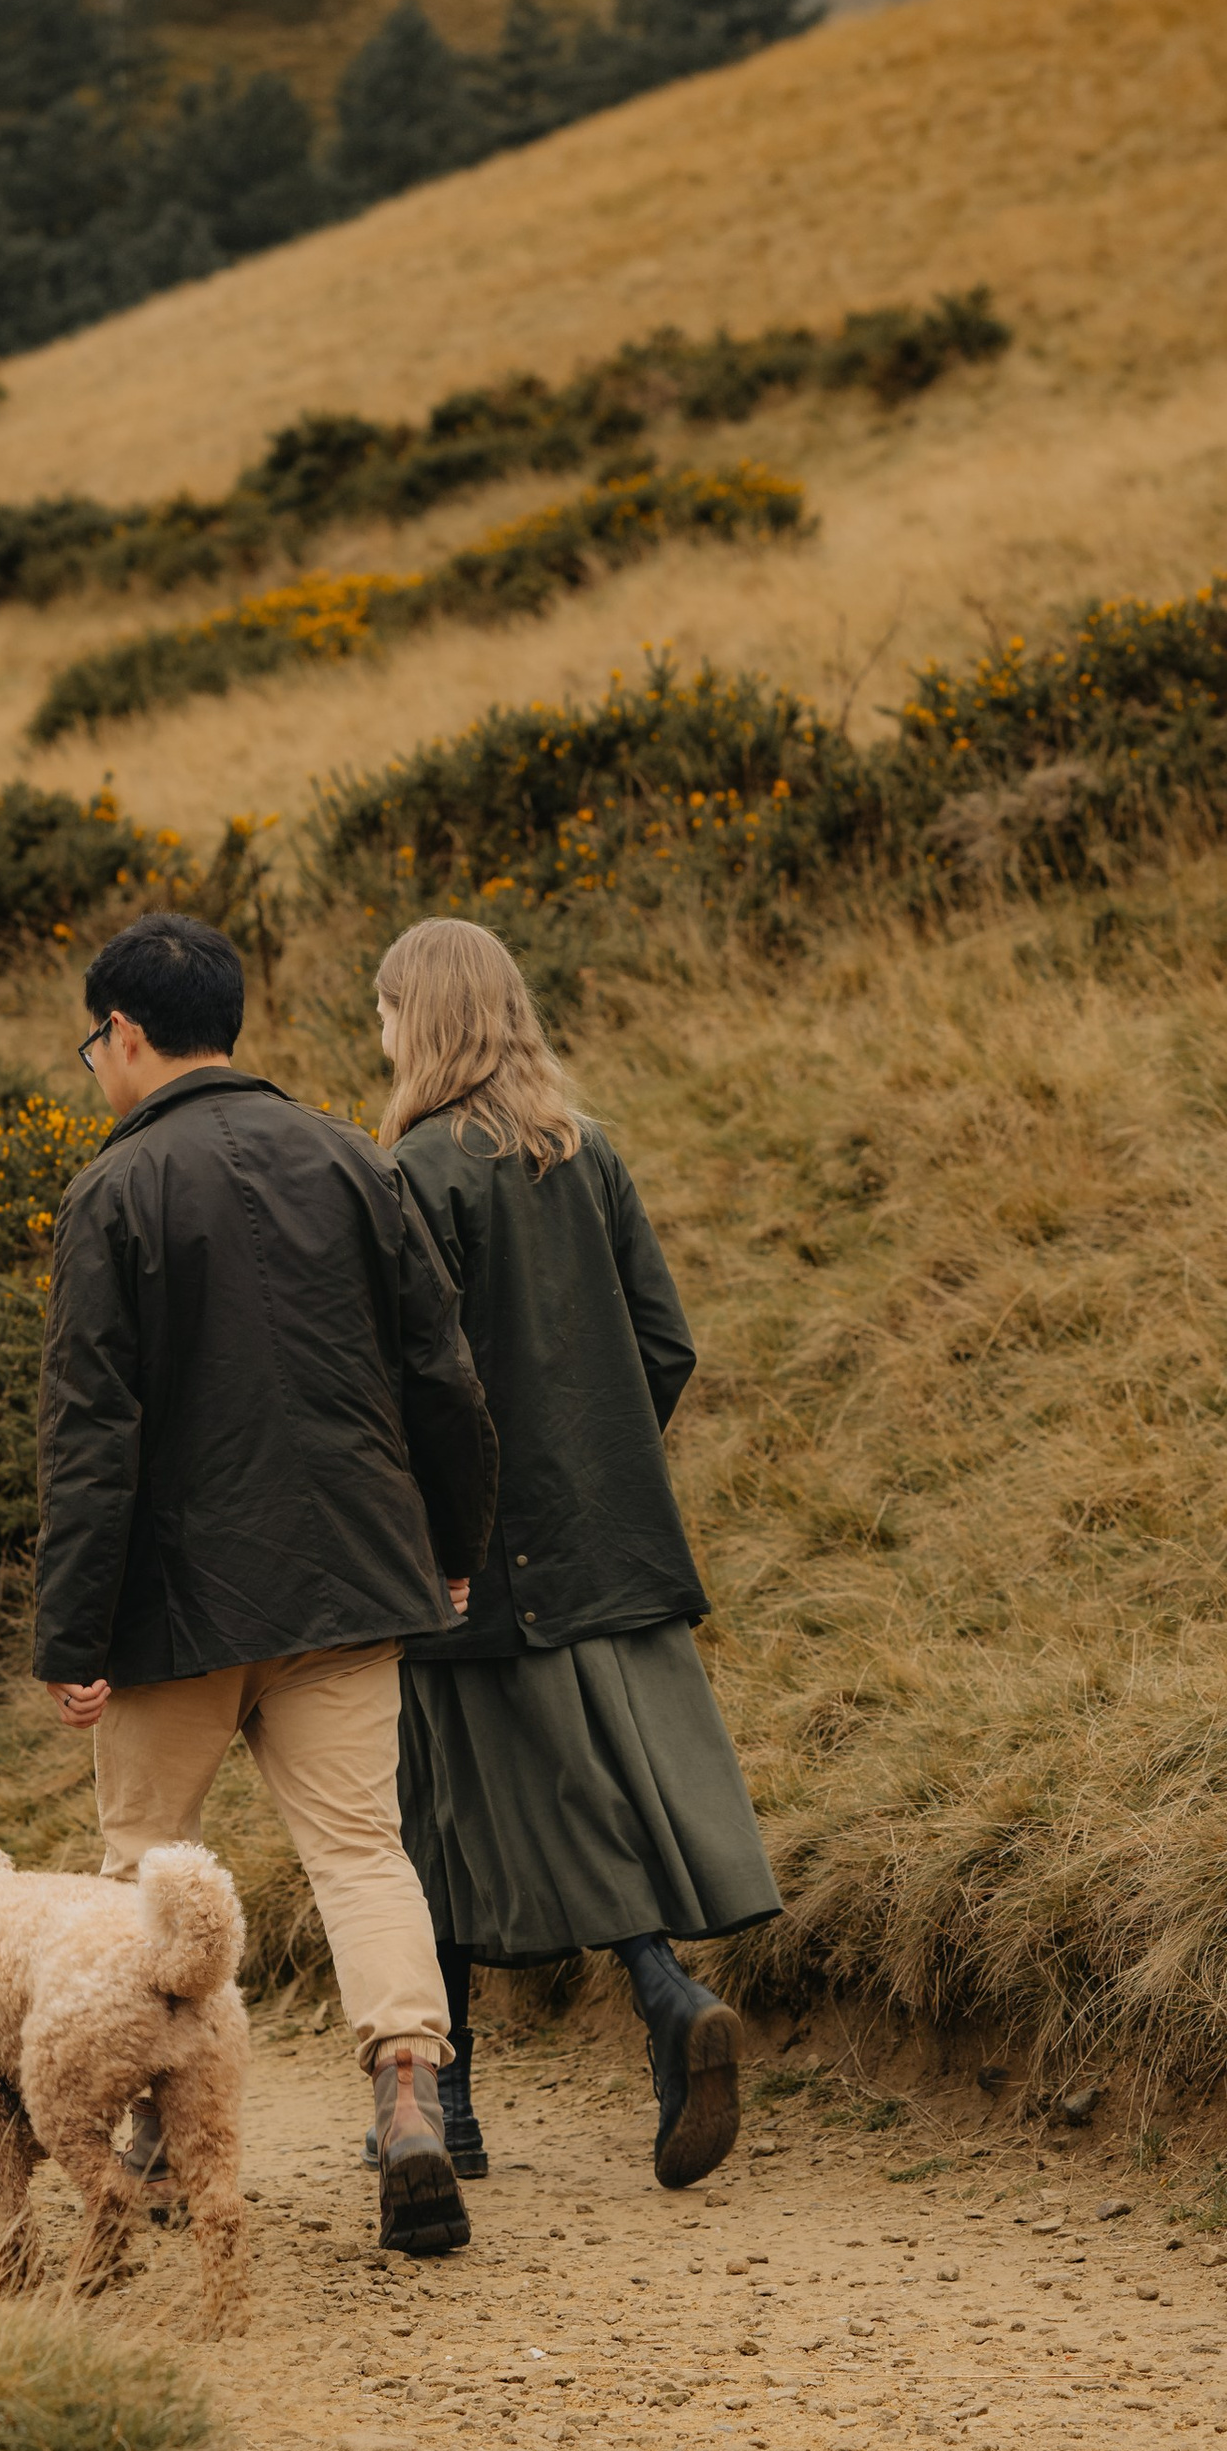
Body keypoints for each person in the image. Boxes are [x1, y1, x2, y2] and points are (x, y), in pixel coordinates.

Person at [34, 909, 500, 2259]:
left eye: (93, 1044)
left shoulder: (112, 1193)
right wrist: (451, 1545)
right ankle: (410, 2091)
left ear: (123, 1035)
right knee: (362, 1852)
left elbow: (91, 1436)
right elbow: (442, 1377)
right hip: (351, 1576)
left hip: (175, 1605)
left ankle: (152, 2140)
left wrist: (74, 1629)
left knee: (145, 1876)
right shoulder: (353, 1159)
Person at [372, 916, 781, 2190]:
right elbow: (664, 1346)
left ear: (424, 1022)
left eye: (386, 1012)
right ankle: (661, 2004)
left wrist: (431, 1531)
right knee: (597, 1803)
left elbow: (417, 1389)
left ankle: (465, 2105)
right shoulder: (586, 1152)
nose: (378, 1035)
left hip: (472, 1574)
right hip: (606, 1558)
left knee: (426, 1824)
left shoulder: (414, 1173)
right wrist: (596, 1480)